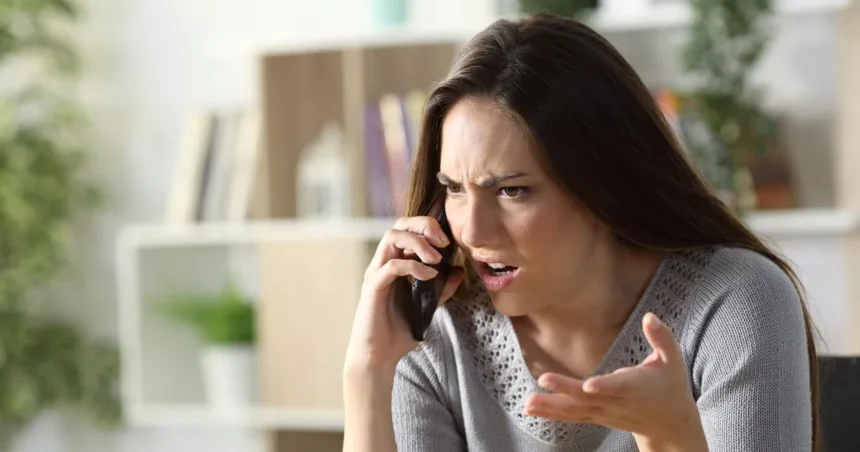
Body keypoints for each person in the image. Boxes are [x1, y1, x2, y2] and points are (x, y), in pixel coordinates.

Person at [342, 13, 818, 452]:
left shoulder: (734, 303)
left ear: (603, 185)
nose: (471, 230)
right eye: (454, 189)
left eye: (512, 191)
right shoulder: (432, 334)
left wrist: (669, 437)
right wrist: (367, 374)